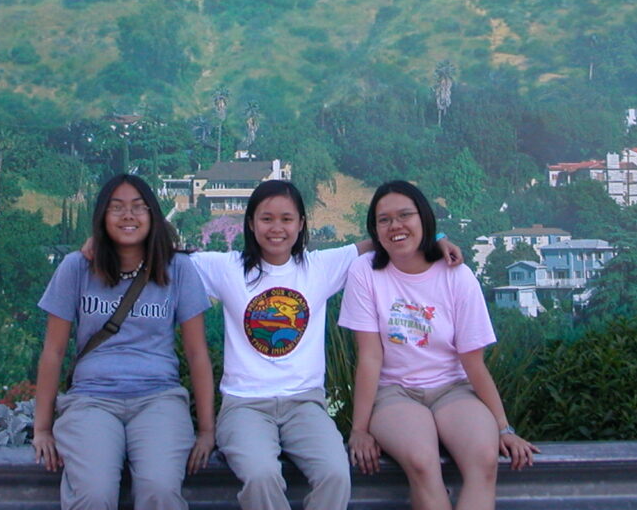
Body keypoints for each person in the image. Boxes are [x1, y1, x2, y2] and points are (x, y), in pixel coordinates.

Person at [83, 178, 461, 510]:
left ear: (300, 224)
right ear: (250, 223)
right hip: (244, 406)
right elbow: (164, 255)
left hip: (306, 404)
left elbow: (383, 242)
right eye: (266, 218)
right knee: (262, 475)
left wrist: (438, 240)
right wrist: (100, 242)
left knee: (335, 473)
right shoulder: (227, 268)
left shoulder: (320, 267)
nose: (276, 228)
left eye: (286, 219)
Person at [338, 179, 538, 510]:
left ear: (425, 220)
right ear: (374, 229)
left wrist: (504, 428)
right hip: (394, 393)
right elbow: (370, 357)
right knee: (421, 462)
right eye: (383, 220)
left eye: (405, 215)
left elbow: (473, 362)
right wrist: (359, 429)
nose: (395, 226)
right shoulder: (365, 272)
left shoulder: (456, 274)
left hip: (453, 389)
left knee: (484, 460)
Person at [32, 174, 215, 510]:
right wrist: (41, 428)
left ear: (153, 216)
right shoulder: (77, 267)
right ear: (102, 216)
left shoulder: (179, 270)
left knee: (159, 490)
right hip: (92, 400)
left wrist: (206, 430)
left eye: (138, 208)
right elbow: (53, 351)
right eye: (116, 208)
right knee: (94, 494)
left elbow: (196, 353)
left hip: (159, 398)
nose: (128, 216)